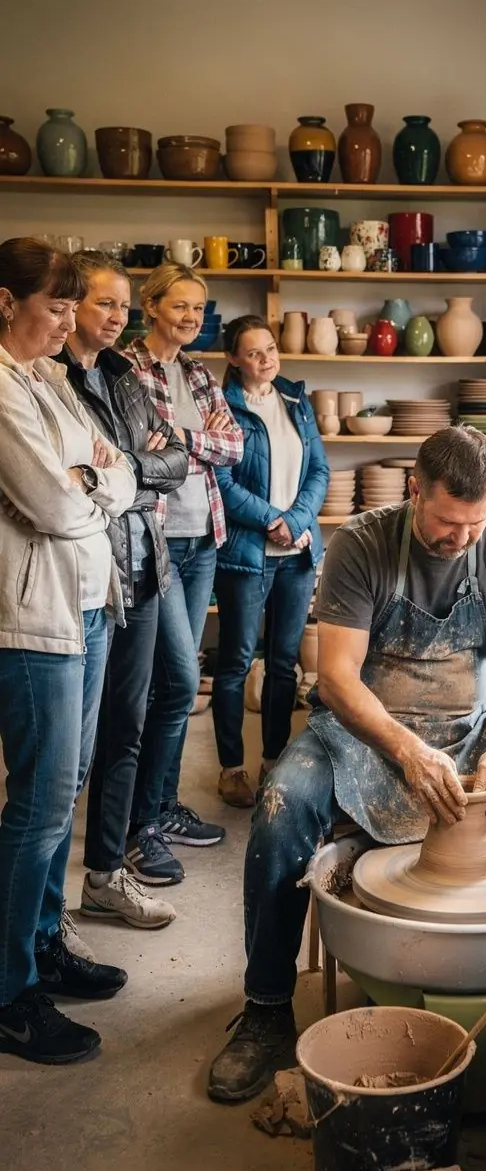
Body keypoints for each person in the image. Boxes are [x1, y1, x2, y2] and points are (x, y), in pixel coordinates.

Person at [208, 426, 486, 1102]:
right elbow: (339, 678)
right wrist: (406, 749)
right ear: (414, 492)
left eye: (476, 522)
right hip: (365, 734)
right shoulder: (362, 543)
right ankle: (264, 1010)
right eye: (446, 521)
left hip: (471, 733)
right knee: (280, 807)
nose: (462, 536)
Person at [0, 237, 137, 1065]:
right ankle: (9, 992)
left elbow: (116, 473)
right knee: (40, 803)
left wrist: (94, 478)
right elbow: (55, 502)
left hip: (88, 606)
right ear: (5, 303)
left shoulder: (49, 377)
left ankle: (44, 944)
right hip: (32, 620)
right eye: (55, 307)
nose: (67, 323)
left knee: (66, 789)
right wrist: (90, 481)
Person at [57, 250, 189, 926]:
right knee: (68, 758)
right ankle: (43, 913)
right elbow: (70, 479)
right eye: (102, 303)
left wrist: (124, 471)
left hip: (142, 565)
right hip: (84, 577)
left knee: (127, 729)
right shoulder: (49, 380)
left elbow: (178, 458)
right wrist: (132, 475)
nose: (115, 317)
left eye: (121, 305)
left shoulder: (124, 376)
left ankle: (106, 872)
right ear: (69, 303)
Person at [122, 264, 243, 883]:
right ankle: (140, 826)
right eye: (181, 306)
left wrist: (180, 439)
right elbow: (141, 452)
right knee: (172, 684)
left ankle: (163, 808)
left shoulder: (198, 370)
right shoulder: (127, 368)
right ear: (150, 304)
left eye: (199, 308)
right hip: (156, 543)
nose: (193, 318)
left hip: (204, 539)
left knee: (179, 680)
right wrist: (194, 439)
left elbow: (235, 448)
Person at [212, 315, 329, 808]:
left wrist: (296, 520)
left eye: (272, 348)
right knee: (237, 662)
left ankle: (274, 761)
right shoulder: (222, 407)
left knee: (285, 665)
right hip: (248, 554)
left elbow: (320, 469)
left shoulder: (296, 401)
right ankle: (232, 767)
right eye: (254, 352)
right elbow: (219, 480)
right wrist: (270, 520)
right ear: (235, 359)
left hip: (297, 553)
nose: (267, 359)